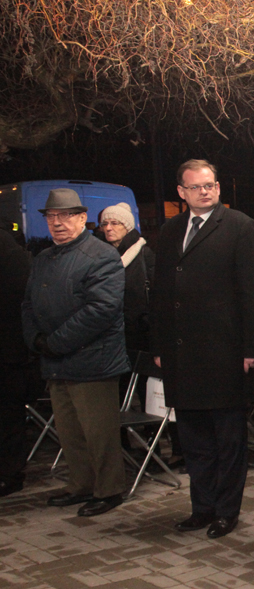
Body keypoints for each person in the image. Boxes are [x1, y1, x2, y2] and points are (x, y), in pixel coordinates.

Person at [151, 159, 254, 539]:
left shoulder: (239, 226)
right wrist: (159, 345)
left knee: (228, 441)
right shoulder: (170, 230)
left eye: (210, 185)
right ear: (181, 192)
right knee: (194, 441)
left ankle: (225, 512)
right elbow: (161, 293)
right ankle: (201, 508)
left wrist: (252, 347)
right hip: (181, 355)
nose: (205, 191)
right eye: (196, 187)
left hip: (224, 353)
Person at [22, 189, 130, 516]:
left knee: (99, 433)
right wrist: (35, 338)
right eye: (51, 216)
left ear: (82, 218)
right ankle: (81, 485)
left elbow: (102, 309)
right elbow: (28, 304)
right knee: (69, 432)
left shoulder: (101, 255)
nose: (57, 222)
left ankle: (109, 489)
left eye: (66, 215)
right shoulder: (43, 258)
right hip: (56, 360)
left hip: (93, 360)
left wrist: (54, 342)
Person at [0, 229, 35, 497]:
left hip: (11, 354)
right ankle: (10, 473)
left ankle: (10, 474)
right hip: (14, 352)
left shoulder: (13, 259)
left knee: (8, 416)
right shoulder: (19, 258)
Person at [98, 203, 154, 353]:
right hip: (108, 333)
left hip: (139, 333)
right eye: (104, 224)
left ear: (127, 227)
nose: (108, 228)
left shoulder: (145, 254)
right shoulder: (99, 256)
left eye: (115, 223)